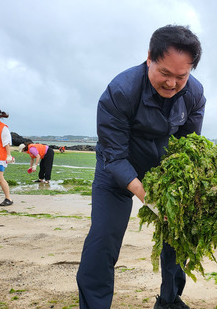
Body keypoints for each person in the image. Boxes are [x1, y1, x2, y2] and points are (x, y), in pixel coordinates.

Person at [76, 25, 205, 309]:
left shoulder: (194, 95)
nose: (172, 83)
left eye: (181, 76)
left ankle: (170, 301)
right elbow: (114, 156)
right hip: (116, 169)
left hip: (163, 172)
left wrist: (173, 192)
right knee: (103, 239)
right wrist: (145, 194)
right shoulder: (120, 92)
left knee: (178, 233)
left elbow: (187, 148)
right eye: (165, 73)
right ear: (150, 58)